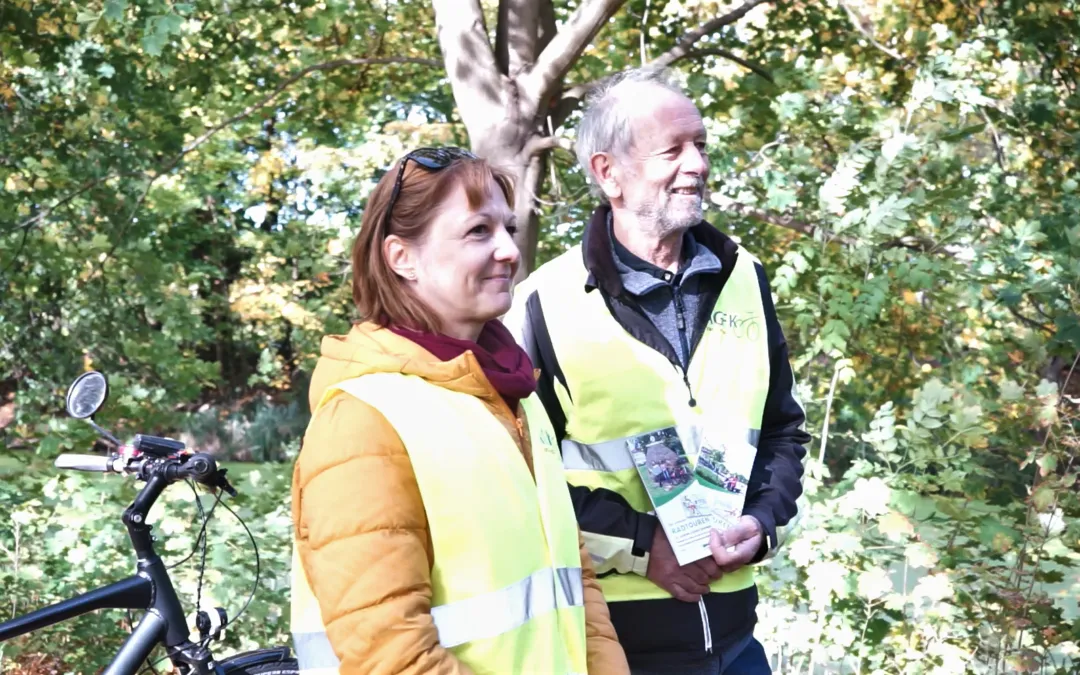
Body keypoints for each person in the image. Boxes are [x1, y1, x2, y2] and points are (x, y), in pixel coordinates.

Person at [505, 68, 810, 674]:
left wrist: (761, 523)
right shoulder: (542, 302)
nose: (697, 163)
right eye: (672, 150)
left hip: (738, 641)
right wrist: (645, 547)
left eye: (700, 144)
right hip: (613, 644)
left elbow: (782, 432)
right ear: (608, 173)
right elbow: (520, 474)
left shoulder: (745, 277)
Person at [289, 147, 630, 675]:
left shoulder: (515, 394)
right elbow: (394, 654)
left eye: (509, 229)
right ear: (402, 257)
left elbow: (576, 585)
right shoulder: (363, 421)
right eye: (478, 231)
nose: (508, 251)